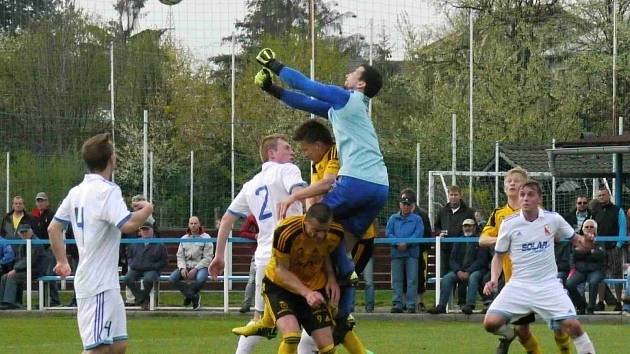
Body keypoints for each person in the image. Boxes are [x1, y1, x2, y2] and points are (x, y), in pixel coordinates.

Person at [254, 49, 389, 280]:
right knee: (339, 241)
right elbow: (305, 103)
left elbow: (307, 86)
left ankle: (286, 274)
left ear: (361, 84)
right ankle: (343, 282)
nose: (348, 73)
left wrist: (275, 65)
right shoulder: (349, 109)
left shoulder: (347, 98)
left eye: (354, 73)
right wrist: (272, 89)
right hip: (380, 189)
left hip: (357, 182)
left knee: (312, 221)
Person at [48, 132, 154, 353]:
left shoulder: (76, 192)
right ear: (111, 160)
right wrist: (148, 209)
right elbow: (129, 225)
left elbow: (54, 227)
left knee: (118, 346)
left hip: (106, 283)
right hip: (97, 284)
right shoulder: (108, 191)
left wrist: (61, 260)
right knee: (97, 349)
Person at [209, 134, 307, 354]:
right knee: (310, 316)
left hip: (264, 259)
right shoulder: (287, 170)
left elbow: (227, 219)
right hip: (292, 255)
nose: (293, 152)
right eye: (287, 147)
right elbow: (300, 194)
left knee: (259, 321)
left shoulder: (250, 184)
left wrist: (219, 256)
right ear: (272, 153)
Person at [483, 180, 597, 354]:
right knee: (491, 323)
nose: (525, 198)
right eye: (522, 195)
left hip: (547, 285)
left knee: (573, 326)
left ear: (539, 198)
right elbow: (498, 256)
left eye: (530, 194)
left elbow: (580, 243)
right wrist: (493, 279)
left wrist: (588, 241)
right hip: (518, 285)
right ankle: (507, 336)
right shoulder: (509, 223)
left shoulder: (553, 219)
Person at [478, 167, 568, 354]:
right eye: (508, 181)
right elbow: (482, 239)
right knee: (522, 330)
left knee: (560, 322)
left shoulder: (539, 213)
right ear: (504, 188)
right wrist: (506, 240)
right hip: (514, 282)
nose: (512, 183)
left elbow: (558, 235)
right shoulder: (499, 214)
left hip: (542, 281)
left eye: (516, 180)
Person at [263, 203, 369, 354]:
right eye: (316, 230)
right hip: (281, 287)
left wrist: (331, 278)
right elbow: (281, 270)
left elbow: (324, 252)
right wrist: (307, 293)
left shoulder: (336, 233)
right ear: (305, 221)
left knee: (328, 348)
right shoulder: (286, 231)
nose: (320, 235)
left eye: (324, 230)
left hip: (313, 288)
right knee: (292, 336)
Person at [428, 218, 491, 315]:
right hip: (460, 271)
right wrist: (458, 271)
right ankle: (441, 306)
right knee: (447, 278)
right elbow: (452, 259)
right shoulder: (458, 240)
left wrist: (468, 271)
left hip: (477, 270)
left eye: (469, 226)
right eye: (465, 226)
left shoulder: (480, 239)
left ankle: (470, 305)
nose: (467, 228)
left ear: (474, 227)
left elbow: (481, 261)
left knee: (473, 277)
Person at [386, 192, 423, 314]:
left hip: (411, 253)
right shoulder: (393, 218)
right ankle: (397, 303)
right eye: (404, 204)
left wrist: (406, 243)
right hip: (397, 253)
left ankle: (411, 304)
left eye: (408, 204)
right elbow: (389, 233)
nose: (405, 206)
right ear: (400, 204)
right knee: (397, 280)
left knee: (412, 280)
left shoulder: (417, 219)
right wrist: (397, 243)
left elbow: (418, 233)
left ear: (412, 205)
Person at [434, 185, 476, 288]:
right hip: (445, 249)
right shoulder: (442, 211)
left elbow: (475, 229)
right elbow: (436, 226)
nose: (453, 197)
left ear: (460, 196)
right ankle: (443, 302)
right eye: (451, 194)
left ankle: (461, 303)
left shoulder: (469, 212)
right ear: (448, 196)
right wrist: (439, 233)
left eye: (456, 195)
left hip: (461, 251)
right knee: (444, 277)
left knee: (461, 277)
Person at [591, 186, 626, 312]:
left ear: (609, 195)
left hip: (614, 247)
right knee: (600, 275)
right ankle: (600, 302)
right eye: (599, 195)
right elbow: (592, 229)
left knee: (617, 274)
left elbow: (623, 229)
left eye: (603, 195)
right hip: (599, 248)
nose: (601, 197)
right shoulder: (594, 211)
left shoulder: (618, 210)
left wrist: (618, 245)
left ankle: (618, 302)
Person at [169, 216, 213, 310]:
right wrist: (182, 268)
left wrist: (196, 269)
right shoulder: (183, 238)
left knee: (201, 279)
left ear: (199, 224)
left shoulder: (206, 237)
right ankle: (193, 296)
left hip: (201, 266)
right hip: (186, 266)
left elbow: (208, 257)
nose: (193, 226)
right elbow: (180, 256)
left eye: (195, 223)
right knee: (172, 278)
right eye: (191, 223)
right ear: (188, 225)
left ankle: (189, 295)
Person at [0, 224, 47, 309]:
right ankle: (4, 302)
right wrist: (16, 269)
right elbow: (19, 259)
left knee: (12, 277)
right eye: (22, 232)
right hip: (26, 270)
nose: (24, 234)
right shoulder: (23, 243)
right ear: (19, 233)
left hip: (36, 271)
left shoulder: (36, 242)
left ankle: (9, 302)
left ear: (31, 232)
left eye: (26, 231)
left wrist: (15, 269)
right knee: (4, 277)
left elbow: (29, 260)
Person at [124, 221, 167, 311]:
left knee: (148, 280)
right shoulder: (135, 243)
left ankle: (143, 300)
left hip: (152, 269)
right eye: (143, 230)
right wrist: (132, 264)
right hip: (137, 268)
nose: (145, 231)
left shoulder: (160, 244)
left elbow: (164, 261)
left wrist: (154, 266)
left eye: (147, 229)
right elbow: (129, 256)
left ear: (152, 231)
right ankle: (143, 299)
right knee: (127, 279)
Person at [565, 219, 605, 314]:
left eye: (591, 227)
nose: (589, 229)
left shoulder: (599, 241)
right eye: (586, 227)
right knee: (569, 284)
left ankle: (591, 308)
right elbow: (575, 254)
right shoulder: (578, 240)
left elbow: (600, 256)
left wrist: (584, 250)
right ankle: (581, 305)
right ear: (583, 230)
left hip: (595, 270)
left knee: (594, 281)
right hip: (580, 270)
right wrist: (591, 250)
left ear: (595, 230)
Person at [32, 192, 60, 306]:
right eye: (38, 201)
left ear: (47, 202)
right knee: (41, 274)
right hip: (39, 251)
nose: (40, 203)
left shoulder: (51, 215)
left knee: (50, 275)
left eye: (42, 200)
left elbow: (54, 231)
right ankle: (43, 301)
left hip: (50, 249)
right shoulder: (35, 215)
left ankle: (55, 300)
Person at [239, 214, 259, 314]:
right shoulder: (253, 216)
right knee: (252, 280)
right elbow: (242, 232)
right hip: (258, 252)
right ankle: (246, 304)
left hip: (274, 251)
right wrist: (254, 235)